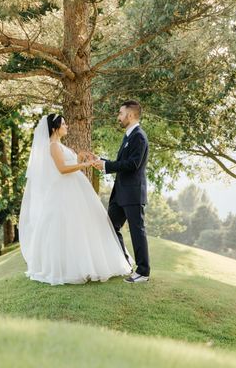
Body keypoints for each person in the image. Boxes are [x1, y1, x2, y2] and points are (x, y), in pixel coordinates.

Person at [19, 113, 132, 285]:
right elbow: (62, 169)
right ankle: (68, 268)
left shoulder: (60, 146)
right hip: (64, 191)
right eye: (63, 124)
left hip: (76, 189)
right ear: (55, 128)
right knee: (67, 228)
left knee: (84, 225)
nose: (67, 126)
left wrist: (80, 157)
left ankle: (90, 264)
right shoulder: (53, 146)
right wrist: (83, 165)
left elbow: (70, 162)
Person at [93, 100, 150, 283]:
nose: (118, 117)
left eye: (120, 113)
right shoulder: (128, 136)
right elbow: (122, 162)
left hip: (133, 194)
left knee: (137, 231)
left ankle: (143, 272)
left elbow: (133, 164)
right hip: (120, 194)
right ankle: (125, 263)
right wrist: (100, 160)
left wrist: (106, 165)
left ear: (130, 115)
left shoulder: (139, 137)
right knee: (109, 227)